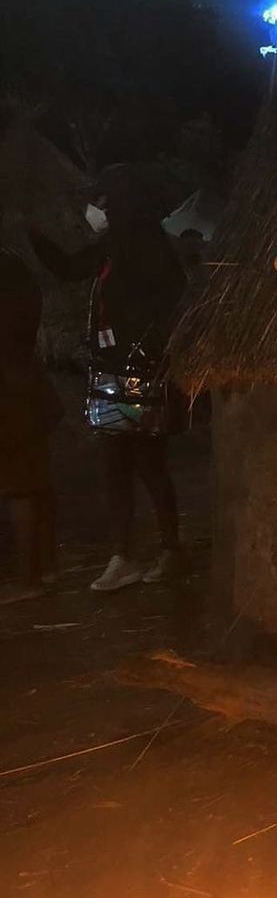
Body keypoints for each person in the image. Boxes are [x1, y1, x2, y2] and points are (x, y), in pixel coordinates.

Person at [27, 166, 188, 591]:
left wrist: (141, 336)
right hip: (110, 371)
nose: (98, 208)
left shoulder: (149, 246)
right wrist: (35, 235)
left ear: (123, 201)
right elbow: (69, 267)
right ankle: (123, 556)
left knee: (148, 460)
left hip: (141, 372)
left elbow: (172, 297)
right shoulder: (112, 245)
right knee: (113, 461)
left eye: (104, 200)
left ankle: (172, 549)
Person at [0, 246, 60, 604]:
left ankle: (28, 579)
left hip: (10, 391)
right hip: (29, 383)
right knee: (36, 481)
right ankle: (48, 566)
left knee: (19, 486)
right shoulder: (16, 265)